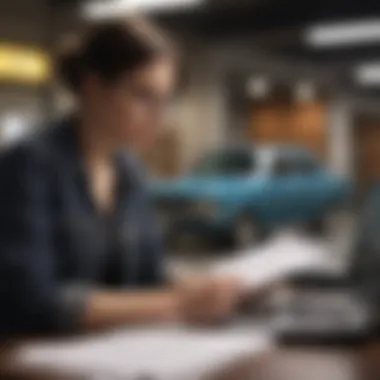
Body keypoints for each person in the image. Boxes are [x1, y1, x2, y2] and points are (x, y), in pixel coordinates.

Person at [0, 19, 245, 336]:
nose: (159, 116)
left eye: (165, 100)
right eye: (143, 96)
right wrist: (178, 303)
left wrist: (204, 289)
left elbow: (148, 275)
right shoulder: (29, 166)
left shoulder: (131, 173)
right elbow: (30, 301)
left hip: (113, 353)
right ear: (93, 88)